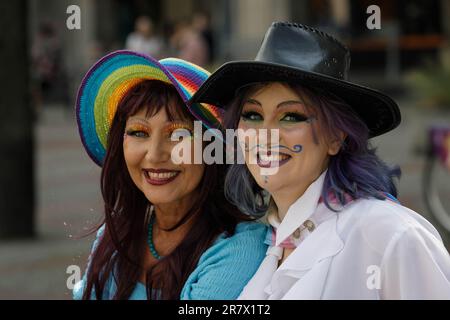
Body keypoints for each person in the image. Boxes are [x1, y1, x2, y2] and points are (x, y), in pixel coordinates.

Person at [189, 22, 450, 299]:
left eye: (291, 116)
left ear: (336, 137)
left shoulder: (390, 236)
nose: (265, 136)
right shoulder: (269, 245)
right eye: (252, 115)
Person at [73, 50, 267, 300]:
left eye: (178, 135)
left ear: (214, 148)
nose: (154, 155)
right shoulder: (116, 234)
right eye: (139, 133)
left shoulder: (238, 248)